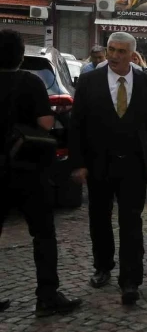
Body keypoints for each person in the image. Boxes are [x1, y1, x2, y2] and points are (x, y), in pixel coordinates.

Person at [69, 32, 147, 306]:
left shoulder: (145, 82)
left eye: (121, 51)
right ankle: (103, 265)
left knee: (131, 222)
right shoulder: (89, 81)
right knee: (99, 218)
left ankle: (131, 280)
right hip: (99, 163)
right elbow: (77, 124)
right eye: (111, 50)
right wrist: (78, 163)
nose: (115, 56)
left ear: (132, 55)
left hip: (133, 164)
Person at [0, 29, 82, 317]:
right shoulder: (30, 82)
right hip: (28, 168)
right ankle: (47, 296)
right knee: (43, 234)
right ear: (21, 55)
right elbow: (46, 123)